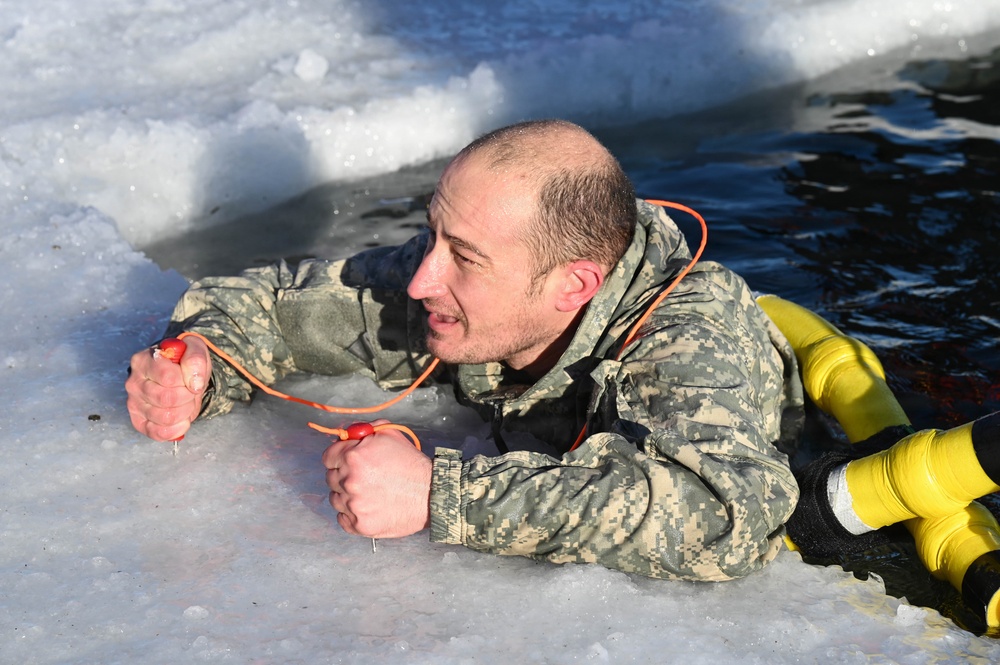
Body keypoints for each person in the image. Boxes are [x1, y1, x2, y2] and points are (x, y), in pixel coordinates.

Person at [126, 119, 807, 582]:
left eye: (465, 258)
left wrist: (439, 492)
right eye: (434, 235)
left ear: (575, 285)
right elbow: (275, 305)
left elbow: (726, 514)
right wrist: (200, 363)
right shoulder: (459, 278)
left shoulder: (688, 334)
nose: (424, 279)